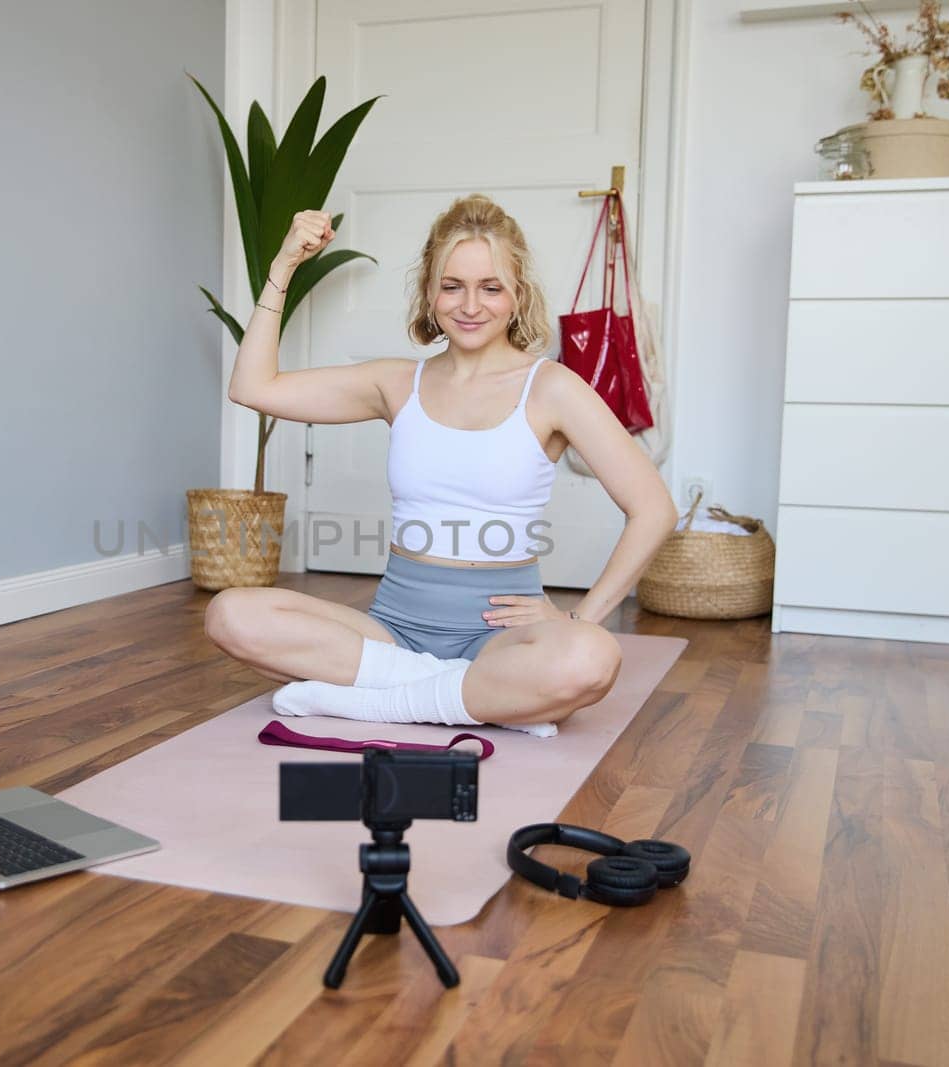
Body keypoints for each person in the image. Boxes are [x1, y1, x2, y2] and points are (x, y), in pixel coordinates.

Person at [204, 194, 676, 737]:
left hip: (497, 634)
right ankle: (457, 693)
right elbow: (252, 387)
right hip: (393, 629)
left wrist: (581, 617)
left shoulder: (552, 389)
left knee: (590, 659)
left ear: (518, 295)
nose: (470, 305)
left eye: (491, 287)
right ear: (429, 293)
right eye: (452, 286)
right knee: (230, 614)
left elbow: (653, 509)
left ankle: (385, 701)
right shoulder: (396, 382)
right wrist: (283, 266)